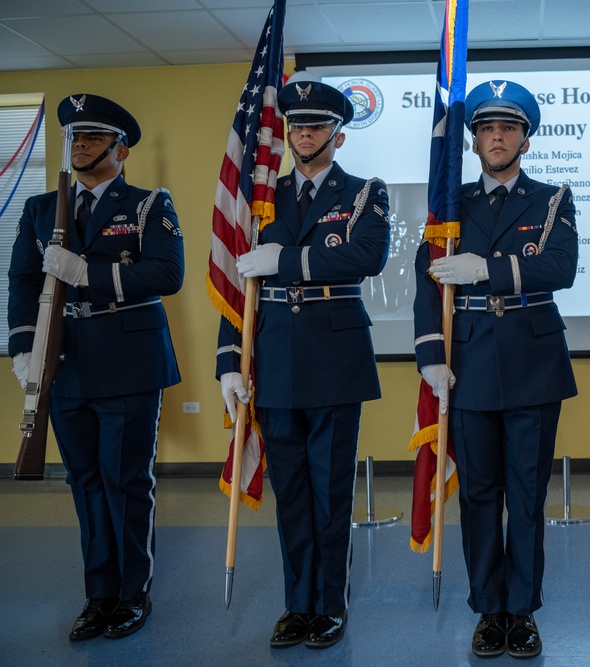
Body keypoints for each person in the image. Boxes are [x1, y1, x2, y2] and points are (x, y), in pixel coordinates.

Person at [216, 76, 390, 650]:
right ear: (285, 133)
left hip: (335, 357)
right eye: (297, 125)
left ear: (338, 136)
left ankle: (331, 605)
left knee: (330, 490)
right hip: (274, 356)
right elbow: (235, 282)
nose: (305, 133)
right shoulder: (259, 198)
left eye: (317, 125)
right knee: (291, 492)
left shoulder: (365, 192)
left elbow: (365, 257)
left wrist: (286, 259)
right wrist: (228, 363)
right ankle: (299, 604)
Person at [8, 94, 184, 640]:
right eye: (74, 138)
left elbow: (165, 273)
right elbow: (22, 282)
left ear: (120, 149)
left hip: (129, 360)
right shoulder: (41, 210)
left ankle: (133, 594)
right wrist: (23, 347)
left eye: (92, 137)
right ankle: (99, 594)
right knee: (84, 481)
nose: (80, 145)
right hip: (66, 361)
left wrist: (88, 272)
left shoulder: (149, 204)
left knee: (125, 481)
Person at [413, 79, 578, 659]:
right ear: (475, 141)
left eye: (508, 128)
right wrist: (431, 354)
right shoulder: (450, 207)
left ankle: (523, 610)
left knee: (528, 494)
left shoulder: (554, 198)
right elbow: (423, 285)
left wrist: (486, 269)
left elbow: (560, 268)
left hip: (533, 362)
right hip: (470, 364)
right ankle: (489, 609)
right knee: (481, 494)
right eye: (486, 128)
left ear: (525, 140)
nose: (497, 137)